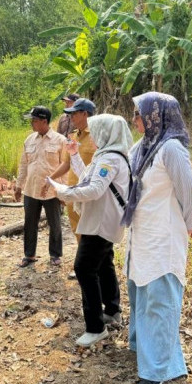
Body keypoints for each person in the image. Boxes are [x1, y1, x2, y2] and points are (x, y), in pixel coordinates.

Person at [122, 92, 192, 384]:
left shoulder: (171, 149)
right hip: (142, 233)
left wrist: (190, 224)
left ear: (157, 115)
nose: (134, 121)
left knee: (161, 299)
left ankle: (156, 371)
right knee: (142, 292)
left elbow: (188, 192)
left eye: (138, 115)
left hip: (164, 235)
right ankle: (150, 352)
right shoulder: (141, 148)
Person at [47, 114, 133, 347]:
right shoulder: (108, 156)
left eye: (95, 131)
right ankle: (112, 309)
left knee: (84, 268)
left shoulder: (109, 160)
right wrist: (74, 156)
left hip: (101, 222)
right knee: (103, 263)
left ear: (105, 133)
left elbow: (93, 189)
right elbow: (87, 178)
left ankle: (95, 327)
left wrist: (65, 193)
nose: (91, 136)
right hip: (103, 220)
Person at [46, 98, 97, 279]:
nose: (71, 117)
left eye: (74, 113)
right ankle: (83, 265)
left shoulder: (98, 137)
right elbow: (67, 164)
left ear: (85, 114)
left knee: (93, 233)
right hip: (74, 192)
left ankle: (94, 267)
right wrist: (51, 179)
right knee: (78, 230)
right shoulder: (74, 137)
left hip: (91, 194)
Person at [15, 106, 67, 268]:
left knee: (55, 223)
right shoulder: (29, 140)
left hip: (52, 191)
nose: (32, 123)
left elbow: (65, 167)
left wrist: (63, 191)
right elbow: (24, 165)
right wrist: (18, 185)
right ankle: (29, 255)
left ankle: (55, 254)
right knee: (29, 223)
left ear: (44, 121)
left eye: (34, 120)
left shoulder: (60, 141)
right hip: (31, 189)